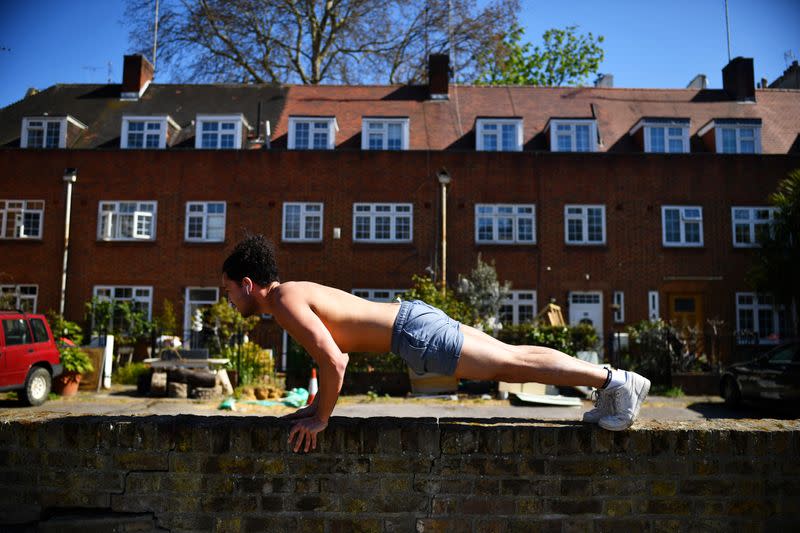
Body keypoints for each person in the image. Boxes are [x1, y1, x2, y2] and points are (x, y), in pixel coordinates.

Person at [221, 235, 650, 453]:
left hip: (414, 334)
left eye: (228, 292)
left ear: (246, 284)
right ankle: (612, 382)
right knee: (513, 358)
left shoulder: (282, 301)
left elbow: (335, 360)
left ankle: (614, 380)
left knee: (512, 365)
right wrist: (316, 408)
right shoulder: (291, 292)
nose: (228, 300)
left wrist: (322, 419)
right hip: (414, 320)